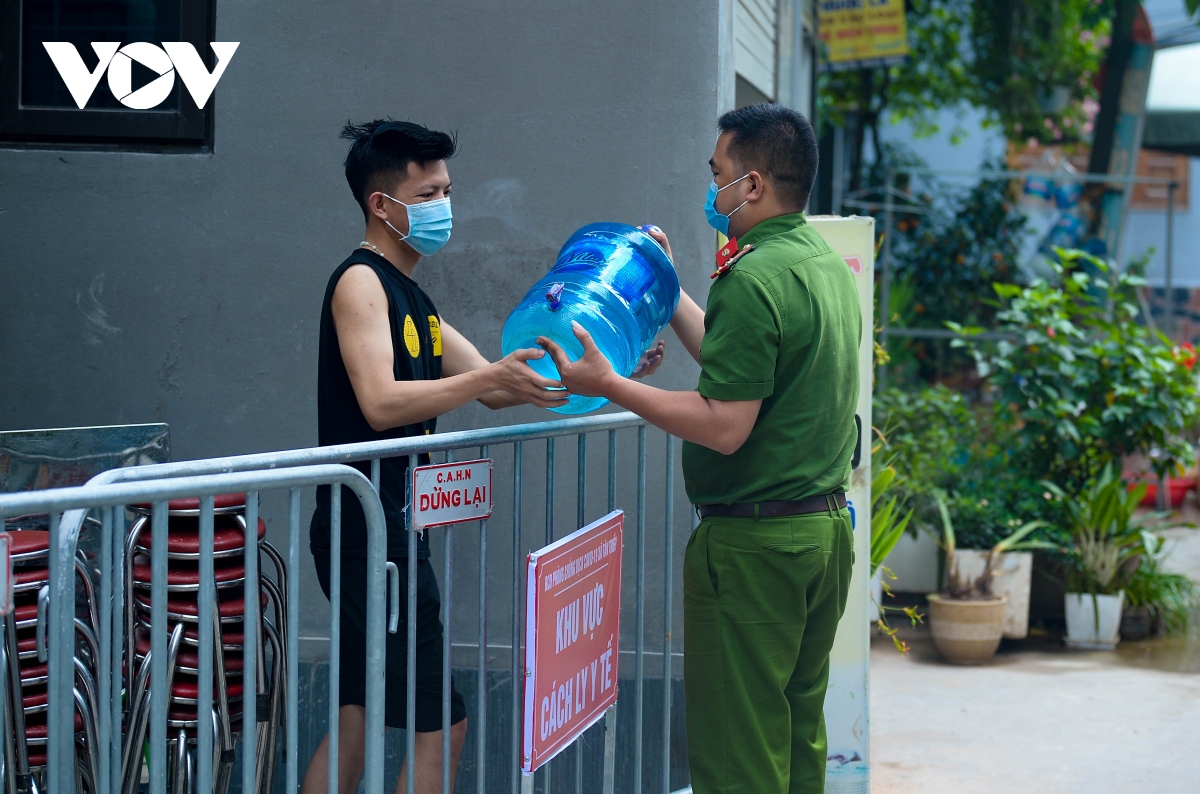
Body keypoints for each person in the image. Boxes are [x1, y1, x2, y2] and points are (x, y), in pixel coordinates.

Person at [539, 103, 860, 794]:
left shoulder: (752, 279)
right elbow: (736, 357)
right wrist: (665, 281)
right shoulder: (819, 265)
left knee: (739, 753)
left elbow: (724, 422)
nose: (709, 188)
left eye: (717, 173)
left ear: (752, 185)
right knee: (796, 734)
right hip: (820, 537)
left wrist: (608, 384)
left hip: (754, 550)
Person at [303, 119, 568, 794]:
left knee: (359, 714)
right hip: (367, 533)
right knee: (440, 725)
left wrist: (607, 368)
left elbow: (500, 386)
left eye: (447, 189)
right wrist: (487, 379)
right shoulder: (360, 284)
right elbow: (381, 404)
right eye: (429, 193)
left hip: (382, 528)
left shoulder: (413, 297)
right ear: (381, 205)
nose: (444, 205)